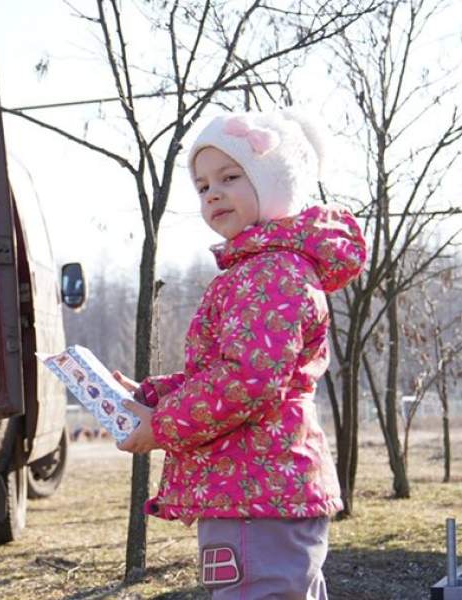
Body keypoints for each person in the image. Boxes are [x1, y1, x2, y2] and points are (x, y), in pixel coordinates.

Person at [112, 110, 368, 598]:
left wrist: (162, 426)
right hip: (252, 489)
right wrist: (151, 393)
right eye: (203, 184)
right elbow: (221, 370)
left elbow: (246, 381)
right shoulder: (255, 271)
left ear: (276, 185)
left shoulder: (272, 274)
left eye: (230, 177)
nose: (212, 193)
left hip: (259, 492)